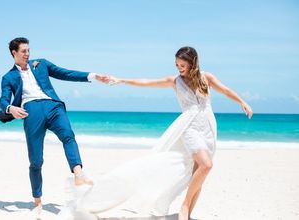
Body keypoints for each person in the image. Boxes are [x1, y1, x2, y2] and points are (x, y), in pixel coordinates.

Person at [71, 46, 253, 220]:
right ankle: (184, 207)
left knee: (200, 173)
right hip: (188, 126)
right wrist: (122, 80)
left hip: (208, 127)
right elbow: (147, 83)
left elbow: (226, 90)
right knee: (207, 165)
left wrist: (242, 102)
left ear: (192, 62)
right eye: (177, 65)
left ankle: (187, 214)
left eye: (182, 65)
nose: (179, 69)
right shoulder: (175, 81)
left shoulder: (207, 78)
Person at [0, 37, 110, 212]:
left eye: (28, 50)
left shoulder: (41, 64)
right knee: (36, 160)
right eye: (23, 51)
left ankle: (78, 174)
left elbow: (65, 73)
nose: (28, 54)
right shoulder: (8, 77)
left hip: (53, 105)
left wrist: (93, 76)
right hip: (31, 111)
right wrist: (11, 108)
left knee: (68, 135)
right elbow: (3, 100)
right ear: (14, 53)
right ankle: (38, 201)